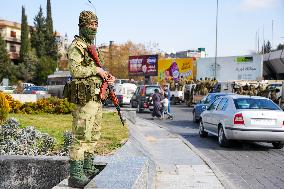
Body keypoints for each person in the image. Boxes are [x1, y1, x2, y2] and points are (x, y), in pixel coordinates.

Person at [67, 11, 115, 188]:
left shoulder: (91, 46)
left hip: (96, 98)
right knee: (81, 135)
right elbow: (76, 71)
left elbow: (98, 70)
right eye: (90, 24)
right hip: (84, 99)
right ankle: (76, 174)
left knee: (93, 134)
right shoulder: (77, 46)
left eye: (96, 24)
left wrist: (107, 77)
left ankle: (88, 167)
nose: (94, 27)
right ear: (82, 25)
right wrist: (96, 71)